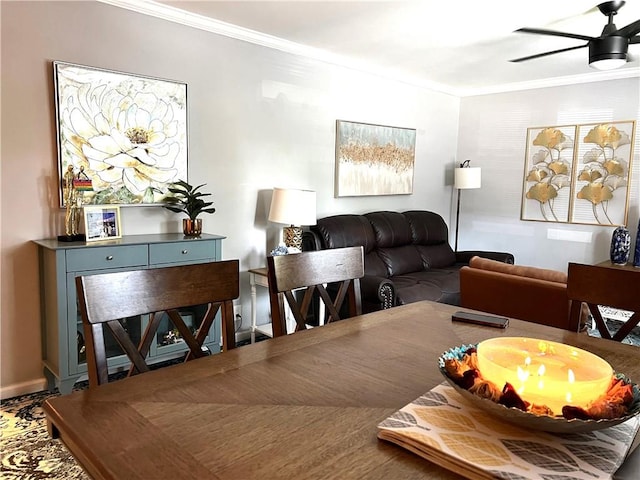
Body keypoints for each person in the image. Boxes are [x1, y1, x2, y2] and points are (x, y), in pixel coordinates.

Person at [63, 165, 79, 236]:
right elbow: (67, 185)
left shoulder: (73, 175)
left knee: (74, 215)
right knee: (68, 214)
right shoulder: (66, 174)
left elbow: (75, 185)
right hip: (69, 196)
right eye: (71, 168)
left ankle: (73, 231)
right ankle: (67, 230)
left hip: (73, 196)